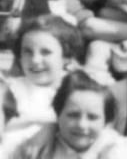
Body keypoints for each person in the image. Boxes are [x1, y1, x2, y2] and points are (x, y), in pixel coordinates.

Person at [5, 13, 83, 143]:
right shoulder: (9, 90)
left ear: (66, 56)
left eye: (46, 52)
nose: (35, 60)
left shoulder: (76, 91)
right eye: (27, 52)